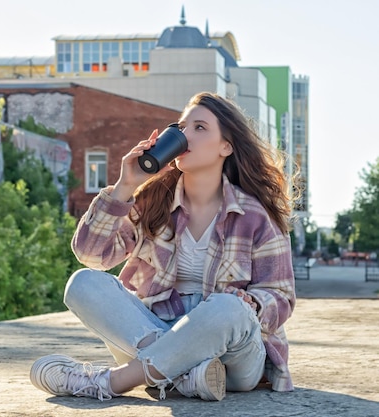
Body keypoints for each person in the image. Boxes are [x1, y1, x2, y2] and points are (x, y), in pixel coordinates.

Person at [29, 92, 296, 402]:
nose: (185, 136)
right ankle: (188, 377)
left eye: (199, 128)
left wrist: (250, 302)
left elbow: (281, 295)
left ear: (226, 146)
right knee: (83, 282)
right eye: (181, 127)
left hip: (232, 356)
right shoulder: (153, 201)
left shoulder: (255, 215)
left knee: (228, 308)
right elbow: (91, 255)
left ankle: (109, 382)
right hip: (155, 330)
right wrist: (125, 185)